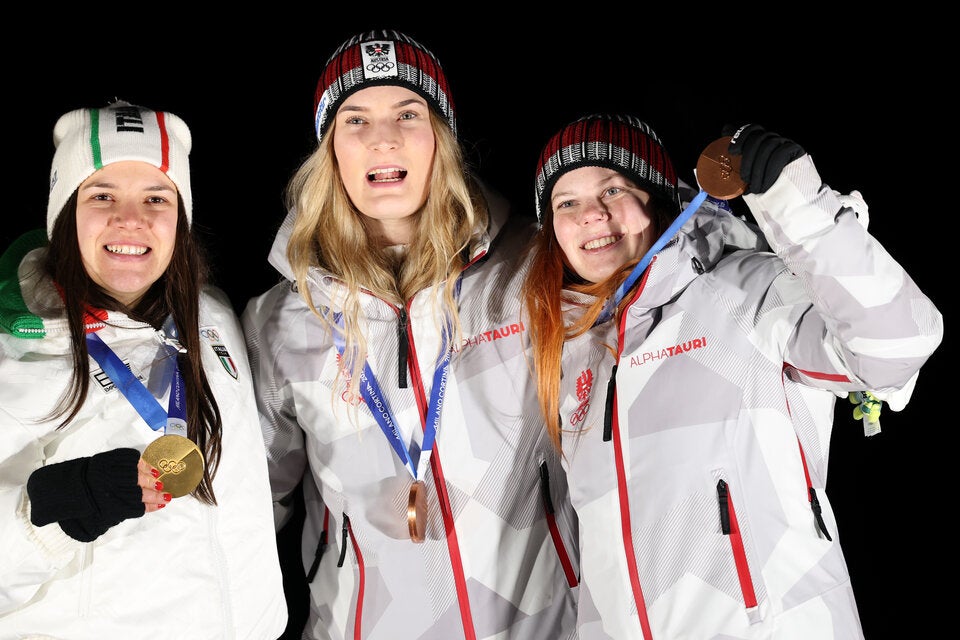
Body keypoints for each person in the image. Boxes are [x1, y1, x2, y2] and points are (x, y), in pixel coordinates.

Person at [521, 114, 943, 639]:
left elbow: (893, 346)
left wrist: (800, 207)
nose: (591, 215)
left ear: (657, 199)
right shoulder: (568, 354)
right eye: (566, 203)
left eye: (614, 188)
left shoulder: (745, 293)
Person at [241, 30, 579, 640]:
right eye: (355, 119)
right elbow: (249, 506)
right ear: (331, 151)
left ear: (440, 139)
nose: (383, 138)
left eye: (408, 114)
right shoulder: (282, 318)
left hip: (542, 625)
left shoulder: (535, 267)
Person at [0, 100, 287, 639]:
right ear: (65, 213)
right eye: (101, 195)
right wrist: (59, 508)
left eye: (156, 197)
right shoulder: (12, 353)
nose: (130, 219)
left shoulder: (216, 318)